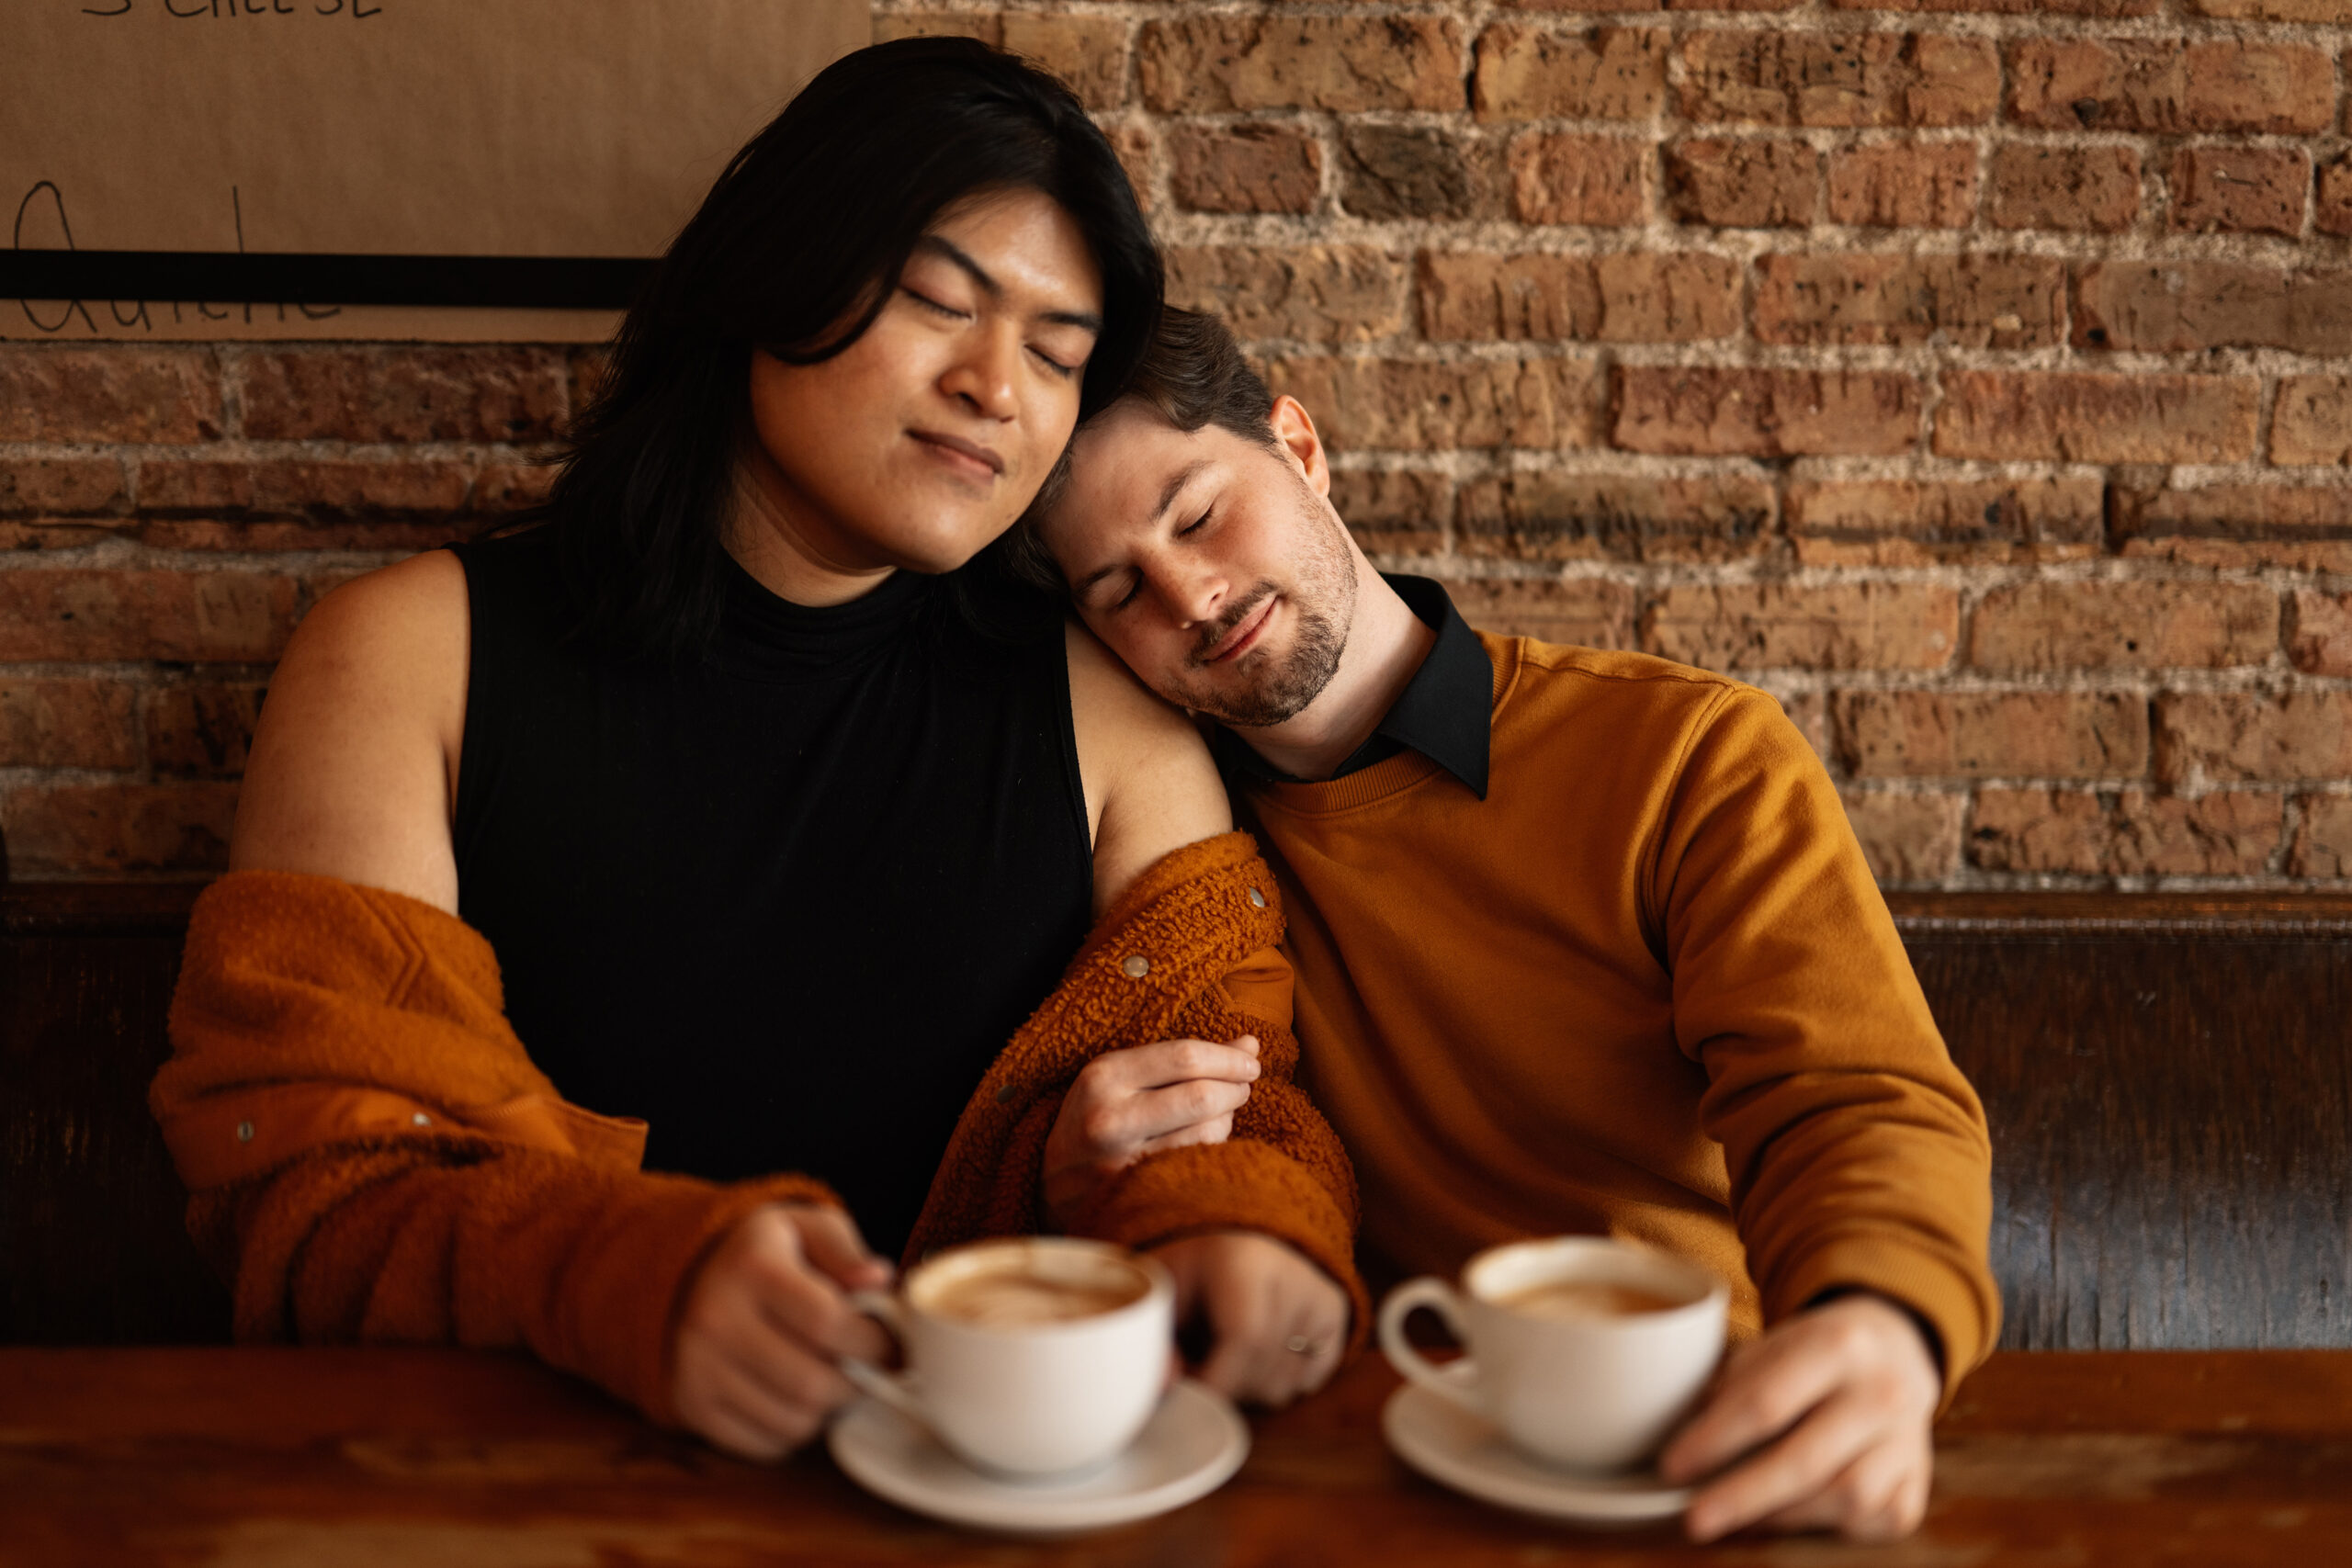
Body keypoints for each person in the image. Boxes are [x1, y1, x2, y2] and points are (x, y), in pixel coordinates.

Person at [149, 42, 1358, 1462]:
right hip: (528, 1489)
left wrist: (1239, 1231)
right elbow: (308, 1175)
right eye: (937, 304)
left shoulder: (1100, 697)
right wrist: (624, 1276)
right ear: (773, 274)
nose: (997, 388)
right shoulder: (409, 654)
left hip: (984, 1497)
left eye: (1056, 353)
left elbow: (1232, 1097)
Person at [1016, 308, 1999, 1543]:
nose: (1192, 595)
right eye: (1120, 588)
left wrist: (1881, 1322)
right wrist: (1067, 1182)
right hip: (1370, 1474)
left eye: (1200, 512)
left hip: (1699, 1451)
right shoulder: (1188, 876)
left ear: (1299, 447)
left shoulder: (1688, 755)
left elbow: (1854, 1100)